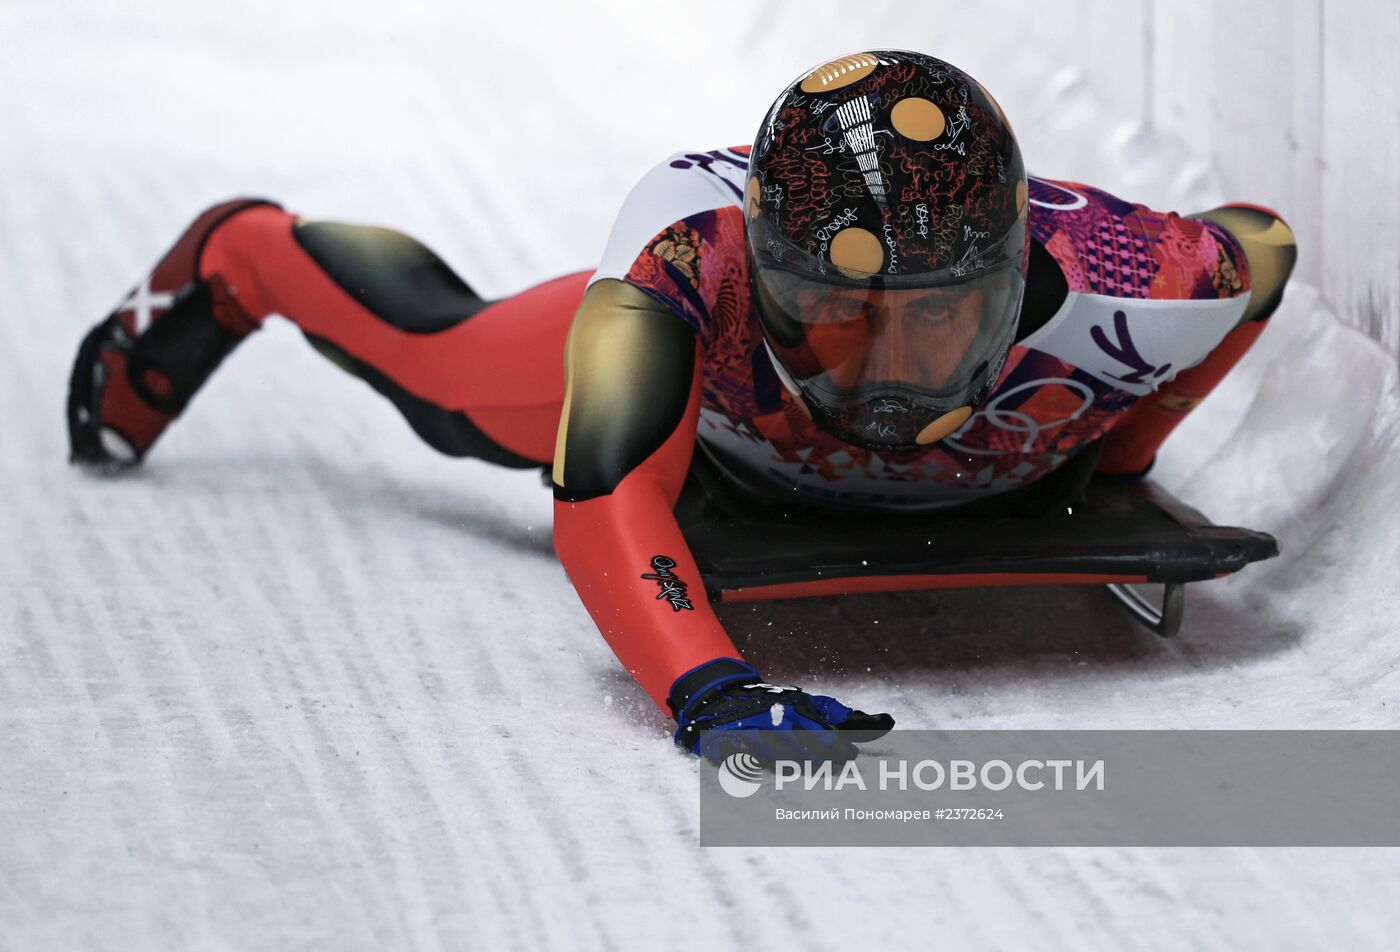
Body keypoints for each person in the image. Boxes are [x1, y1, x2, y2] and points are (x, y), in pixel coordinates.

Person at [67, 50, 1296, 761]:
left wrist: (1119, 448)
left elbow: (1262, 251)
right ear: (753, 271)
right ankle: (246, 253)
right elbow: (601, 496)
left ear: (1016, 276)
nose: (882, 370)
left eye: (933, 316)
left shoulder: (1149, 275)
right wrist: (703, 683)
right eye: (832, 314)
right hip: (708, 421)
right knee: (439, 378)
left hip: (774, 412)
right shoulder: (674, 264)